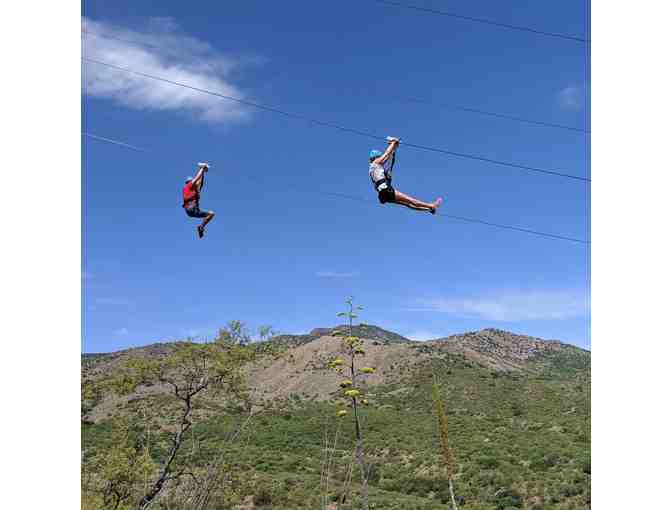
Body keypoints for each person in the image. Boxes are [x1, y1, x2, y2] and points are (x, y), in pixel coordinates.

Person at [369, 137, 443, 214]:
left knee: (407, 204)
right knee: (411, 200)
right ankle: (431, 206)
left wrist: (394, 147)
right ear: (375, 157)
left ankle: (428, 209)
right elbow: (386, 154)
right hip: (386, 190)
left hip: (382, 194)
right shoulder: (376, 163)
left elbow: (388, 158)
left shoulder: (373, 170)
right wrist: (393, 143)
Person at [182, 162, 215, 239]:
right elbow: (197, 178)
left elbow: (200, 182)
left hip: (192, 211)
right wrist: (202, 168)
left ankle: (201, 227)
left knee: (211, 214)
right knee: (211, 214)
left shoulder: (194, 190)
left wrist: (203, 172)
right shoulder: (188, 186)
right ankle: (201, 227)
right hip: (191, 208)